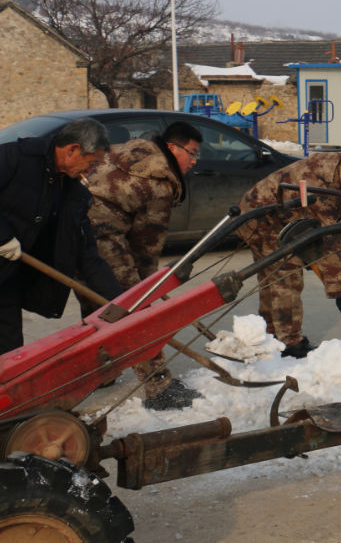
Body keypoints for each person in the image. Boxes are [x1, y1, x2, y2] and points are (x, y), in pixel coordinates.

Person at [87, 121, 204, 410]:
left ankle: (100, 373)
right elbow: (146, 245)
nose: (194, 161)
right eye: (192, 153)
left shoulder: (133, 149)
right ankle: (158, 385)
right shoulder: (160, 183)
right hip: (103, 235)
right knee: (133, 308)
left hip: (74, 228)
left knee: (98, 306)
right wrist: (147, 287)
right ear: (173, 148)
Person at [238, 151, 341, 358]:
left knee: (272, 280)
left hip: (277, 218)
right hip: (262, 219)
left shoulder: (337, 176)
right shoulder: (323, 185)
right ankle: (289, 343)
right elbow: (328, 242)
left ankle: (269, 335)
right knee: (286, 277)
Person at [0, 118, 122, 355]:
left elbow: (88, 256)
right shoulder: (16, 157)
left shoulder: (74, 195)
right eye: (91, 162)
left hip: (7, 280)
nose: (91, 170)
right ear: (73, 149)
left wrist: (119, 304)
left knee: (9, 351)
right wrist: (2, 235)